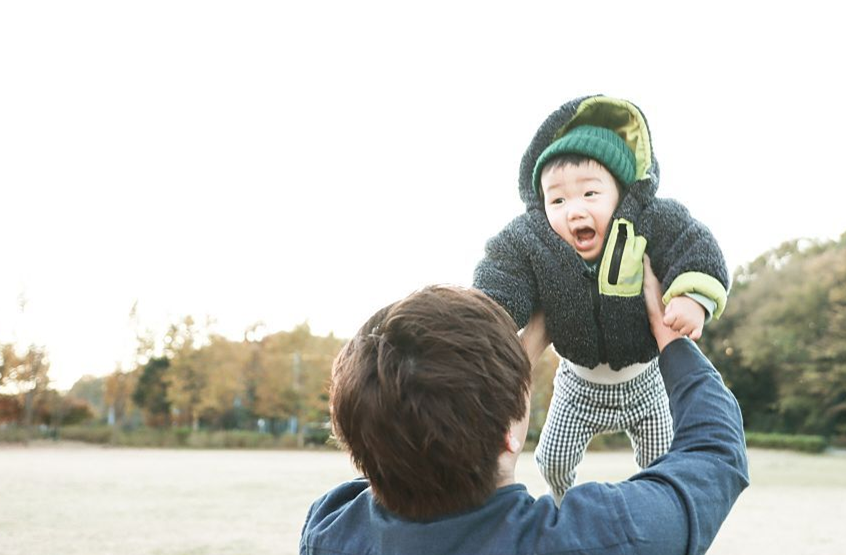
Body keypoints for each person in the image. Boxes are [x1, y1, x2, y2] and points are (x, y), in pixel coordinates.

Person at [299, 271, 748, 555]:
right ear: (508, 438)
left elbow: (401, 437)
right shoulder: (596, 536)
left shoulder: (333, 529)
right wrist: (670, 337)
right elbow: (715, 454)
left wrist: (525, 346)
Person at [473, 95, 730, 500]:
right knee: (552, 460)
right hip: (578, 384)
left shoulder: (650, 220)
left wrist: (690, 297)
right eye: (556, 200)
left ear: (621, 193)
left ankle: (652, 512)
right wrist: (490, 316)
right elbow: (502, 271)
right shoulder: (533, 239)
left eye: (589, 194)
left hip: (645, 380)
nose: (573, 211)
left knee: (663, 460)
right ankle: (561, 500)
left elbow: (693, 244)